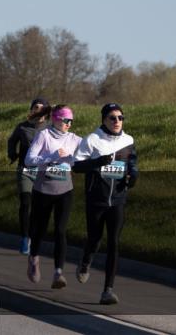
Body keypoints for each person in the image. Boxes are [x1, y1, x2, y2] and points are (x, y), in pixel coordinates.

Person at [72, 103, 139, 306]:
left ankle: (107, 290)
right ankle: (85, 262)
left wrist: (133, 175)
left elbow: (132, 163)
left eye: (120, 117)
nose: (117, 121)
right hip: (97, 199)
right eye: (112, 117)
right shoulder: (92, 140)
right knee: (94, 238)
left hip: (118, 199)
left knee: (114, 243)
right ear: (104, 120)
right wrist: (99, 161)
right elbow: (77, 166)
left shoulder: (128, 140)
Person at [24, 105, 81, 289]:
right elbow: (29, 159)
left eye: (71, 121)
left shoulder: (74, 139)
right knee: (39, 230)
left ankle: (58, 273)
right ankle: (34, 258)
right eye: (66, 120)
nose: (69, 124)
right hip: (43, 190)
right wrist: (51, 157)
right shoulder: (44, 135)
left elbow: (88, 155)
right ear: (56, 119)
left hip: (65, 190)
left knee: (60, 231)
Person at [7, 97, 51, 254]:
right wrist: (12, 154)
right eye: (35, 107)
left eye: (41, 107)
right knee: (26, 202)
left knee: (39, 207)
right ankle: (25, 238)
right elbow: (12, 141)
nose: (37, 109)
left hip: (44, 173)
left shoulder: (51, 129)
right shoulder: (23, 127)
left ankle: (35, 236)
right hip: (25, 170)